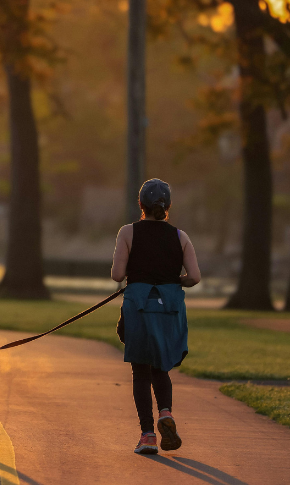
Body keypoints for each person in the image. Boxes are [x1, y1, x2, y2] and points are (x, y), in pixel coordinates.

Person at [110, 178, 201, 455]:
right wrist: (175, 281)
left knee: (140, 370)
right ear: (168, 206)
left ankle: (148, 435)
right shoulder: (180, 236)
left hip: (139, 307)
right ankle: (165, 412)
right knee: (161, 367)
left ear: (141, 205)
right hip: (168, 309)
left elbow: (117, 275)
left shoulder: (128, 232)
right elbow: (195, 277)